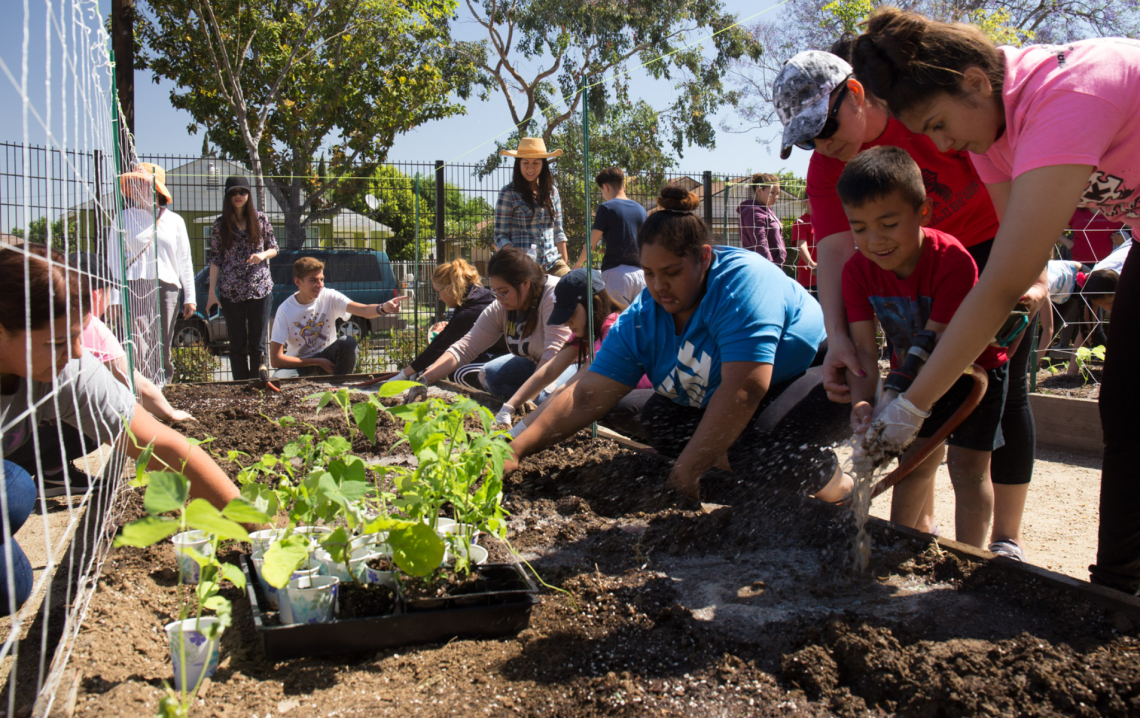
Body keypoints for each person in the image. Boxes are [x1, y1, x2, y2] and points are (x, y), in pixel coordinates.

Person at [850, 8, 1140, 592]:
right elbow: (1020, 266)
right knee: (1126, 405)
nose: (941, 144)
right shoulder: (991, 135)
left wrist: (910, 407)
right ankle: (1119, 591)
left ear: (977, 82)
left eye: (936, 123)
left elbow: (1000, 281)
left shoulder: (1067, 96)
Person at [774, 47, 1039, 561]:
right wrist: (841, 341)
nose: (822, 146)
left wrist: (1030, 267)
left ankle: (1004, 540)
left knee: (1004, 398)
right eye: (807, 139)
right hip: (907, 271)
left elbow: (1008, 170)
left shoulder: (922, 111)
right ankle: (921, 532)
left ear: (855, 94)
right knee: (920, 401)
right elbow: (833, 252)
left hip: (987, 248)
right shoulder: (829, 167)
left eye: (825, 129)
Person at [505, 185, 853, 505]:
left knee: (756, 446)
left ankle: (838, 488)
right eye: (650, 274)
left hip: (814, 375)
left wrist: (684, 473)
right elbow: (587, 394)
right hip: (736, 392)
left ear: (703, 257)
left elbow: (744, 389)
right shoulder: (644, 315)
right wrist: (515, 448)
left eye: (671, 272)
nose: (659, 286)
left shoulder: (741, 283)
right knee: (658, 419)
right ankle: (741, 472)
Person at [841, 147, 1010, 549]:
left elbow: (934, 340)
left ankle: (969, 558)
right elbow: (864, 350)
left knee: (969, 469)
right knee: (915, 464)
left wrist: (896, 399)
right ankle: (897, 548)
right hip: (910, 375)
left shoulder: (952, 259)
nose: (874, 239)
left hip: (972, 374)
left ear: (924, 212)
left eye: (888, 223)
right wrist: (865, 404)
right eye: (859, 227)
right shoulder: (856, 271)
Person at [0, 245, 242, 513]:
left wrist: (250, 520)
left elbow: (163, 446)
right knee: (15, 490)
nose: (78, 351)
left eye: (79, 335)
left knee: (16, 490)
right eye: (58, 341)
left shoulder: (68, 365)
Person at [493, 268, 652, 429]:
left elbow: (570, 387)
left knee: (609, 408)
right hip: (620, 396)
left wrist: (522, 429)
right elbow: (550, 370)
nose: (566, 322)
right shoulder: (588, 329)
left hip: (641, 396)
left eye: (571, 313)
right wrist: (509, 407)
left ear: (592, 304)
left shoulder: (613, 331)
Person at [412, 246, 573, 400]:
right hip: (533, 362)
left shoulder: (553, 296)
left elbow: (553, 357)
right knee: (489, 375)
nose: (499, 298)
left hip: (566, 364)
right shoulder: (502, 305)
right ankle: (526, 406)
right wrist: (425, 379)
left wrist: (514, 403)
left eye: (504, 292)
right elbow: (465, 347)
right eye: (496, 292)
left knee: (543, 396)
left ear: (525, 283)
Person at [71, 252, 194, 423]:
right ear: (96, 294)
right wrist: (170, 413)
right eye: (109, 291)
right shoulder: (90, 327)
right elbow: (136, 383)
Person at [109, 162, 197, 384]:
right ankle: (140, 389)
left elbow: (185, 260)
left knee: (163, 343)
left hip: (168, 287)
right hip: (133, 285)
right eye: (134, 183)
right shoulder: (122, 218)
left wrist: (190, 297)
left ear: (156, 189)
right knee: (137, 343)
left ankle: (162, 387)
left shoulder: (175, 221)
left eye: (143, 183)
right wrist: (115, 297)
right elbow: (113, 260)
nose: (137, 187)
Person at [269, 256, 408, 377]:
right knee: (278, 378)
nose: (320, 285)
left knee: (348, 342)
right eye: (313, 280)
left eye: (321, 279)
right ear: (298, 281)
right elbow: (276, 360)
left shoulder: (330, 295)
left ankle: (341, 384)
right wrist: (316, 361)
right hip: (300, 364)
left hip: (328, 359)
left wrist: (383, 308)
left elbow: (363, 310)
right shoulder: (285, 310)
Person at [383, 258, 506, 387]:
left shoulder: (471, 311)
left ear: (449, 287)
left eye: (438, 292)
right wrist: (415, 368)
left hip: (503, 356)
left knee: (458, 373)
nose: (440, 298)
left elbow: (441, 346)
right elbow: (442, 339)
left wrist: (403, 375)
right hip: (495, 353)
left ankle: (497, 397)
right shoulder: (476, 297)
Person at [206, 176, 279, 381]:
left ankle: (257, 384)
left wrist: (262, 255)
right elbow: (215, 258)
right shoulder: (220, 224)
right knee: (237, 343)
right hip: (231, 290)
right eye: (234, 192)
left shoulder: (260, 219)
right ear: (228, 196)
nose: (238, 196)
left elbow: (274, 248)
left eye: (243, 192)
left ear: (248, 195)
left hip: (260, 288)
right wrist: (212, 293)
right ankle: (240, 386)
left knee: (257, 343)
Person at [494, 138, 571, 277]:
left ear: (543, 165)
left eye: (536, 163)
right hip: (523, 266)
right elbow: (500, 235)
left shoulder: (552, 191)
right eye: (525, 163)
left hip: (552, 262)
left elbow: (558, 231)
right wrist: (516, 259)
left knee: (575, 286)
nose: (530, 168)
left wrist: (565, 262)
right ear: (518, 165)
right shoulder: (508, 193)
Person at [574, 167, 647, 306]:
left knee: (615, 322)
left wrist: (578, 264)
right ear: (623, 186)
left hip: (616, 275)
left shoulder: (606, 208)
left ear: (605, 187)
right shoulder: (641, 210)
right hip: (641, 275)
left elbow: (591, 243)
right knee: (639, 323)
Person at [1037, 259, 1084, 370]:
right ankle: (1038, 362)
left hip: (1076, 276)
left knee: (1091, 326)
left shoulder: (1043, 290)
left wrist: (1035, 364)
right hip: (1059, 286)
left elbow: (1048, 329)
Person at [737, 173, 787, 267]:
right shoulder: (753, 212)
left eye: (777, 193)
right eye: (772, 192)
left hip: (776, 267)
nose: (775, 197)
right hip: (763, 268)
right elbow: (760, 243)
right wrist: (770, 267)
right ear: (759, 191)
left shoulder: (767, 210)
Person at [793, 211, 818, 294]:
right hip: (809, 280)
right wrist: (812, 265)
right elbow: (802, 246)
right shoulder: (801, 222)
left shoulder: (827, 221)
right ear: (806, 201)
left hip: (828, 278)